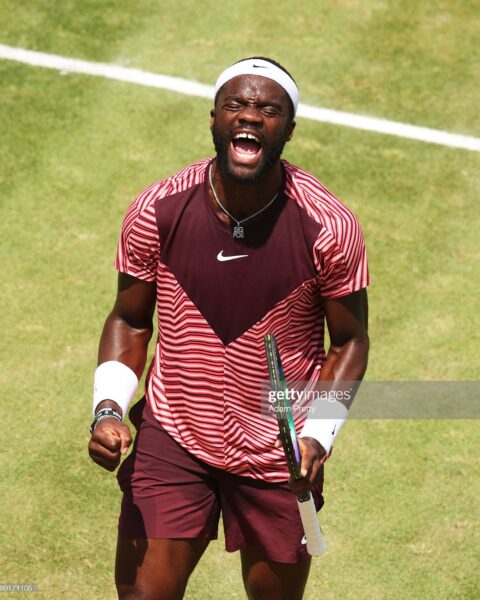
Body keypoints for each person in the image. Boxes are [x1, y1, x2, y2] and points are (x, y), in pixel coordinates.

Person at [88, 57, 369, 600]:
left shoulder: (329, 226)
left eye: (269, 110)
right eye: (237, 105)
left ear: (289, 129)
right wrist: (107, 409)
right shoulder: (157, 209)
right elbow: (129, 319)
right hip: (175, 435)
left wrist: (317, 435)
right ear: (214, 118)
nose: (251, 117)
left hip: (275, 453)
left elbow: (351, 341)